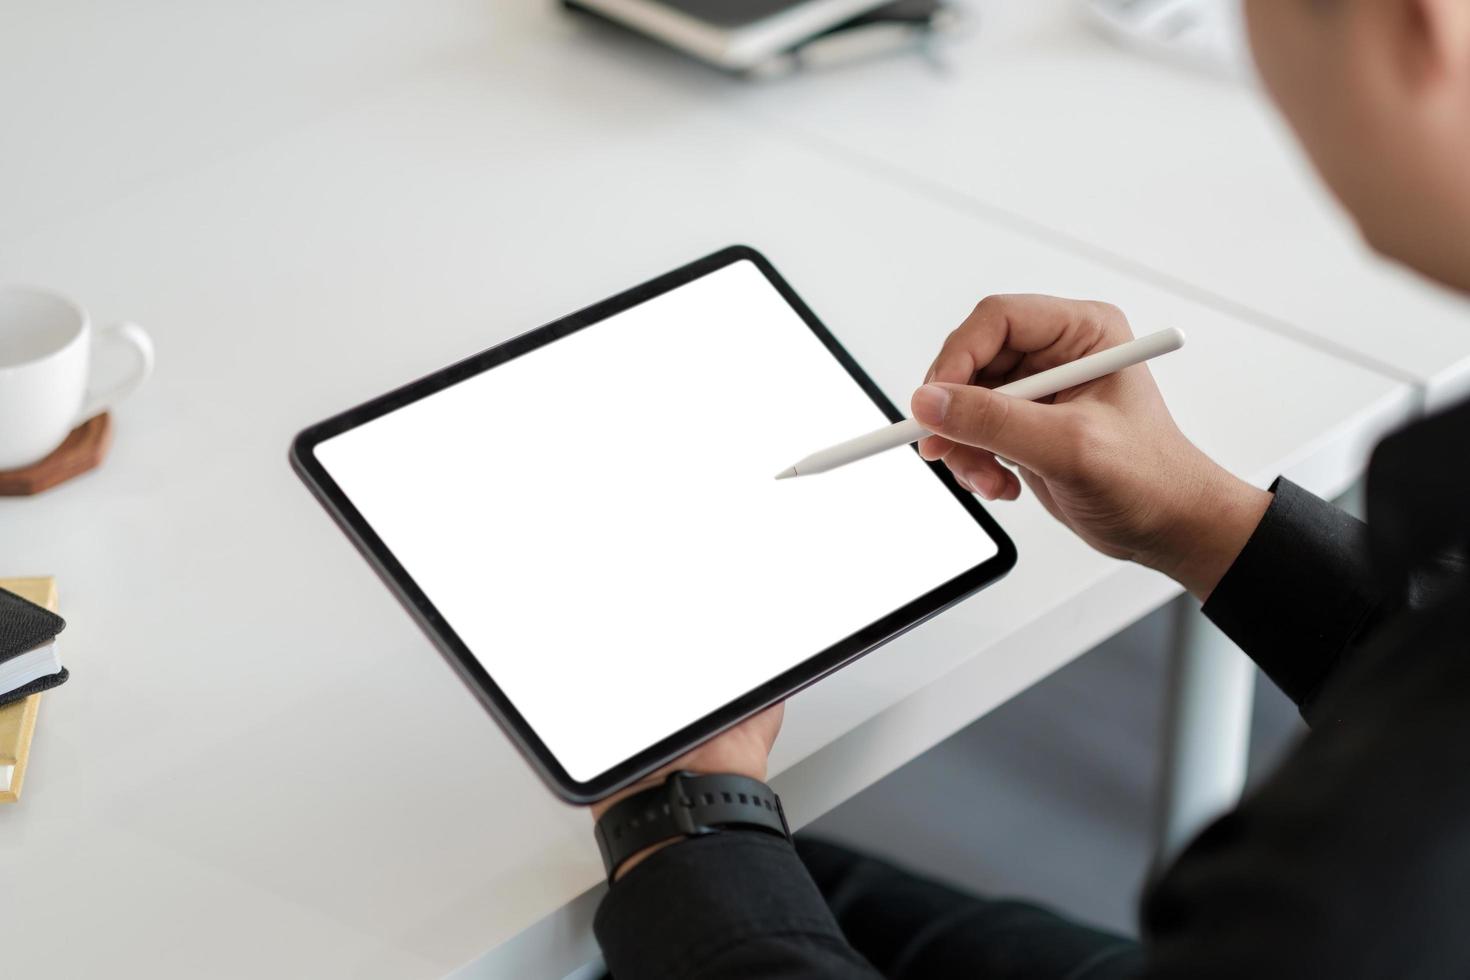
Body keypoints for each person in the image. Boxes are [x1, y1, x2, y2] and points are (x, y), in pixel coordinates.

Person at [590, 0, 1470, 976]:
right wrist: (1201, 517)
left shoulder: (1376, 866)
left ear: (1419, 24)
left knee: (664, 903)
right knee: (781, 880)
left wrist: (694, 818)